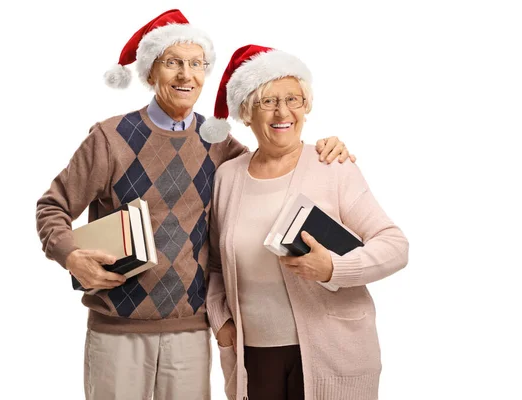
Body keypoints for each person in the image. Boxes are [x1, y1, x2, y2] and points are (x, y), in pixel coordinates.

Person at [35, 11, 354, 400]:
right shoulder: (110, 137)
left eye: (196, 64)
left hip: (191, 329)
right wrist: (71, 257)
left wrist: (324, 148)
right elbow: (53, 207)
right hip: (117, 327)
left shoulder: (218, 143)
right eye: (172, 63)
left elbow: (273, 162)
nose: (186, 75)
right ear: (151, 73)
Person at [204, 45, 409, 400]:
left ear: (306, 105)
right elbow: (216, 265)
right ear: (245, 112)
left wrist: (333, 268)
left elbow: (394, 246)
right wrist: (220, 320)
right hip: (254, 353)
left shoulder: (332, 165)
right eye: (267, 101)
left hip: (333, 350)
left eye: (293, 99)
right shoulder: (227, 177)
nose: (282, 112)